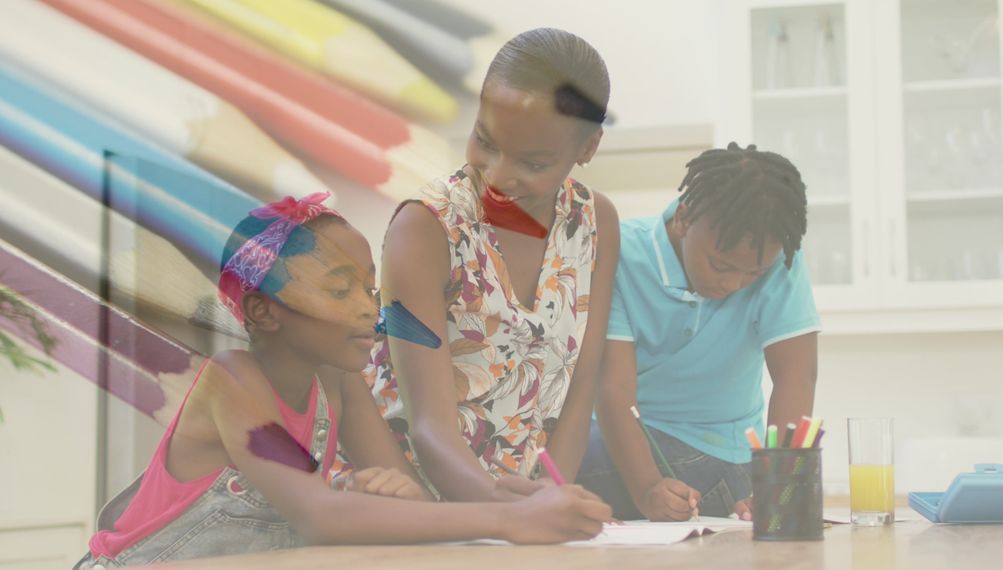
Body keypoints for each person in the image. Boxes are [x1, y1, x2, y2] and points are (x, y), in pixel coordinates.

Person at [77, 193, 611, 568]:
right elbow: (319, 516)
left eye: (369, 289)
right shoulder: (231, 382)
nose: (367, 309)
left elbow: (416, 508)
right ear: (263, 312)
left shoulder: (337, 383)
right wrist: (509, 521)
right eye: (339, 292)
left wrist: (428, 498)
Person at [365, 27, 620, 501]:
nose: (499, 176)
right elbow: (429, 427)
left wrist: (550, 495)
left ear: (587, 149)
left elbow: (579, 388)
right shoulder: (424, 228)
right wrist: (513, 515)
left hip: (517, 508)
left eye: (534, 163)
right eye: (485, 140)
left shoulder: (594, 221)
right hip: (409, 499)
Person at [576, 144, 821, 521]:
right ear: (684, 219)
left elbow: (797, 377)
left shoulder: (778, 258)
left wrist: (778, 485)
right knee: (548, 451)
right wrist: (647, 488)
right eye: (720, 266)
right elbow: (613, 390)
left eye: (753, 274)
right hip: (631, 444)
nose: (734, 284)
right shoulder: (622, 253)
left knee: (540, 475)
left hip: (721, 456)